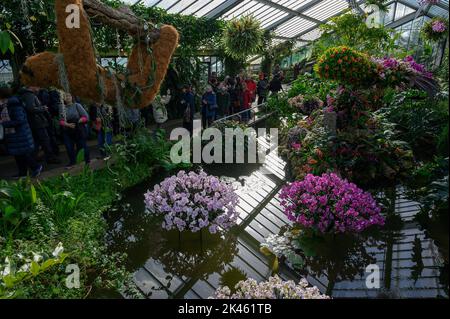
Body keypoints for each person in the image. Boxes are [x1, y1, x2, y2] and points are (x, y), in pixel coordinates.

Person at [0, 88, 42, 178]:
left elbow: (20, 120)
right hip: (13, 134)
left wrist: (4, 124)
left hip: (19, 133)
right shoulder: (5, 105)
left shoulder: (14, 104)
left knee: (23, 154)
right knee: (17, 154)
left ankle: (36, 167)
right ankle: (22, 173)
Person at [19, 86, 60, 164]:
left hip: (33, 123)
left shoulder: (24, 95)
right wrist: (43, 108)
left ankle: (32, 160)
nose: (38, 88)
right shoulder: (30, 95)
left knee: (36, 142)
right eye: (37, 86)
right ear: (31, 87)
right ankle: (50, 158)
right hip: (38, 122)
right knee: (45, 140)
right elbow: (31, 108)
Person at [59, 92, 90, 168]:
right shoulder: (62, 107)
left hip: (78, 128)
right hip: (67, 129)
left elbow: (86, 117)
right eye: (65, 96)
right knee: (69, 147)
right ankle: (72, 162)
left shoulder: (77, 105)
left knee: (82, 146)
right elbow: (61, 120)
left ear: (72, 97)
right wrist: (67, 125)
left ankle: (87, 162)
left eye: (69, 95)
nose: (67, 97)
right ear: (63, 98)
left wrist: (79, 121)